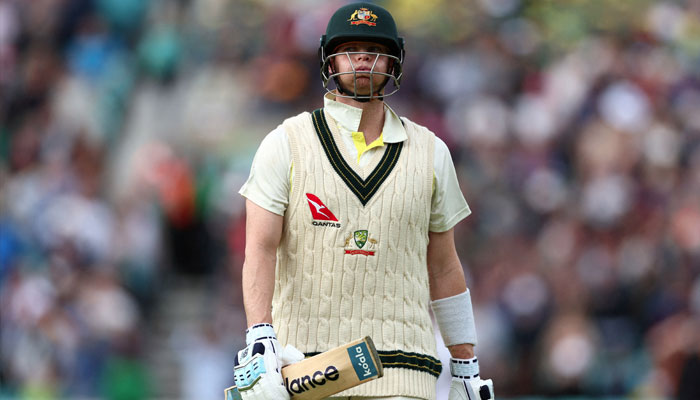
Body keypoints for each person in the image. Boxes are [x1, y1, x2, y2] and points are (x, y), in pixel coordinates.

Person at [232, 3, 494, 399]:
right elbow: (260, 248)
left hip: (405, 370)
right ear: (330, 60)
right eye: (350, 48)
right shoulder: (286, 143)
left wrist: (466, 366)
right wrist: (260, 336)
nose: (362, 59)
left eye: (374, 50)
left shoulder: (431, 151)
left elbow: (443, 267)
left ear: (393, 63)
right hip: (307, 369)